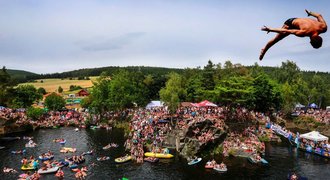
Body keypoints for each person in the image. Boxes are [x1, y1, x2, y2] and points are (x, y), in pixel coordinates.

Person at [260, 9, 327, 60]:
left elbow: (319, 16)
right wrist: (270, 29)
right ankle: (264, 50)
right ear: (312, 40)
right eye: (311, 42)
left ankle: (264, 49)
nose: (309, 41)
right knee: (278, 38)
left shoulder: (324, 27)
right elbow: (286, 30)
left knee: (284, 33)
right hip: (290, 23)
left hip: (298, 21)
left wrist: (310, 13)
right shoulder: (304, 32)